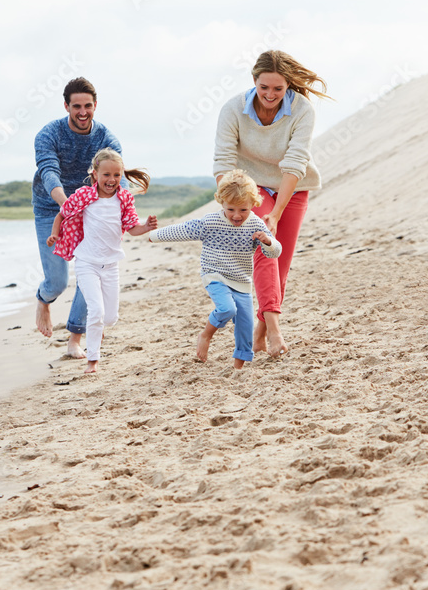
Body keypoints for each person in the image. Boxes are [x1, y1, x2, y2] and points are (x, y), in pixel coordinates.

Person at [213, 50, 330, 358]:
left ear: (288, 86)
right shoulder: (233, 109)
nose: (270, 94)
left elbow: (294, 163)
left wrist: (277, 213)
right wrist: (232, 204)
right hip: (251, 186)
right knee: (265, 245)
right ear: (254, 81)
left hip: (293, 186)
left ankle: (260, 333)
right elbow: (223, 160)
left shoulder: (302, 110)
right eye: (264, 87)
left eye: (278, 89)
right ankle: (276, 330)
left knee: (281, 264)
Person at [148, 170, 281, 369]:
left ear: (253, 205)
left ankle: (238, 369)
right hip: (215, 274)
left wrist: (268, 241)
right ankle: (206, 335)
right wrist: (154, 235)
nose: (237, 215)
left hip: (242, 281)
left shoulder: (255, 223)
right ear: (221, 203)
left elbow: (274, 253)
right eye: (231, 209)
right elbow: (183, 229)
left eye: (243, 210)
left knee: (245, 327)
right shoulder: (211, 222)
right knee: (227, 309)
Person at [33, 77, 122, 358]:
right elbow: (49, 172)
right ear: (66, 106)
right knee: (57, 281)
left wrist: (121, 211)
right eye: (76, 106)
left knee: (91, 269)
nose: (82, 112)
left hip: (91, 210)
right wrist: (67, 204)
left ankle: (75, 337)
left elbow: (119, 176)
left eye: (87, 106)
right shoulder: (48, 134)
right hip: (51, 206)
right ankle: (43, 299)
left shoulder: (107, 138)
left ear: (95, 106)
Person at [46, 148, 157, 373]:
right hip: (86, 262)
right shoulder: (85, 195)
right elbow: (63, 213)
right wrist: (55, 234)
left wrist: (146, 227)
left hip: (111, 265)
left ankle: (98, 329)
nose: (112, 180)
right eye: (106, 174)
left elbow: (132, 228)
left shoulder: (124, 198)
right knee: (95, 311)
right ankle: (92, 361)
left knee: (110, 317)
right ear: (95, 173)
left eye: (117, 175)